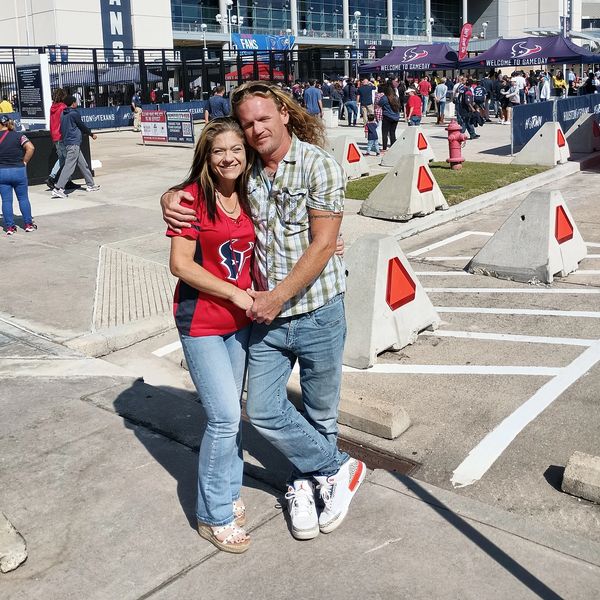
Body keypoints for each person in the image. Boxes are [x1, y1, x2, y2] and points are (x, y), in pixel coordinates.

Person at [161, 81, 366, 542]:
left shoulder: (319, 165)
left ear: (285, 115)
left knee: (320, 413)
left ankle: (310, 486)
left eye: (262, 119)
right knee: (263, 409)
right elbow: (209, 175)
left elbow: (323, 243)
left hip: (316, 311)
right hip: (264, 320)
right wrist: (171, 196)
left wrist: (275, 296)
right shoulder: (248, 167)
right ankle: (337, 469)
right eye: (247, 123)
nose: (255, 131)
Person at [168, 117, 255, 553]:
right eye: (219, 151)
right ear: (206, 156)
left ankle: (228, 490)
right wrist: (236, 295)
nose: (229, 158)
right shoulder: (191, 200)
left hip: (238, 326)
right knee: (222, 416)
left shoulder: (251, 193)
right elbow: (181, 265)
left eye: (236, 149)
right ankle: (213, 514)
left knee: (230, 413)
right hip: (201, 321)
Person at [51, 95, 100, 198]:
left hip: (69, 142)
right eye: (76, 102)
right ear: (73, 103)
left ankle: (90, 184)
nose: (77, 103)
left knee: (83, 164)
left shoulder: (63, 114)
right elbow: (81, 125)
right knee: (69, 166)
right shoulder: (74, 114)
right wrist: (91, 134)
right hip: (73, 143)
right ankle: (58, 188)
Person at [0, 115, 36, 235]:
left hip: (2, 172)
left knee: (6, 201)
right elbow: (30, 148)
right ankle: (28, 224)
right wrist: (24, 161)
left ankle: (10, 227)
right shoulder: (19, 135)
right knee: (23, 198)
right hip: (18, 170)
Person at [46, 88, 68, 189]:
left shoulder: (52, 107)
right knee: (68, 159)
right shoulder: (63, 107)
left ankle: (52, 177)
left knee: (62, 159)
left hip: (55, 135)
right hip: (62, 135)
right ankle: (66, 180)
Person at [379, 83, 401, 150]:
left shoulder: (385, 98)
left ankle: (384, 147)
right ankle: (393, 146)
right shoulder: (396, 97)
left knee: (384, 133)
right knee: (392, 132)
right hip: (396, 117)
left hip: (387, 116)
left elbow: (379, 104)